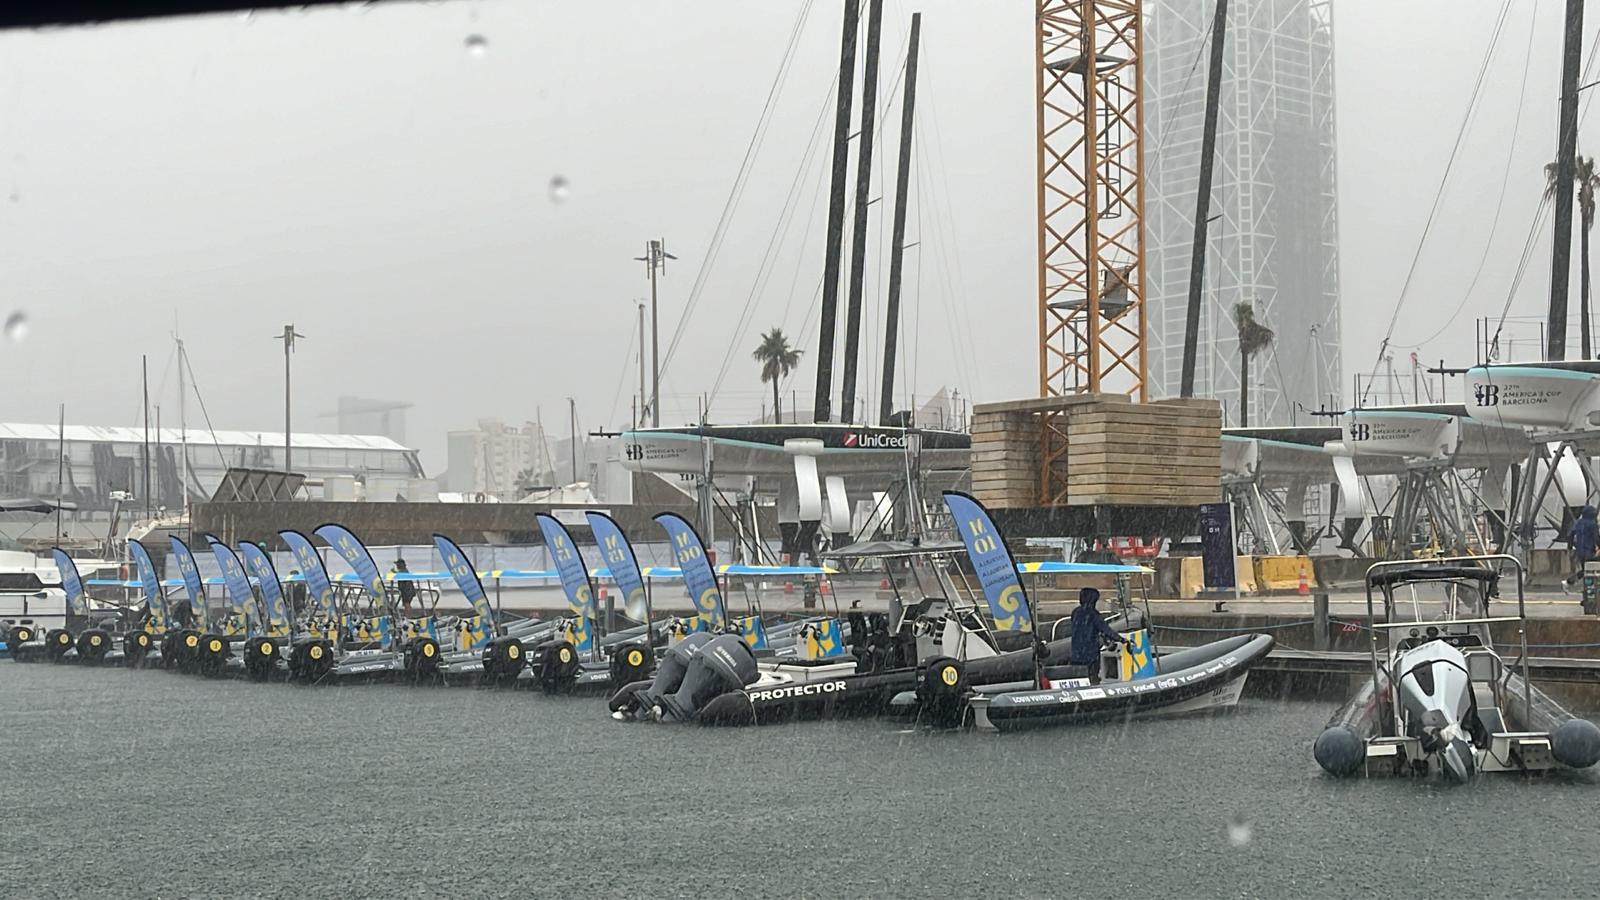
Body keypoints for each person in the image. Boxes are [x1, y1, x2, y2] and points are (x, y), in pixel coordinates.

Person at [1069, 587, 1129, 683]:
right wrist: (1121, 639)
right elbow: (1106, 630)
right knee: (1092, 676)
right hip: (1090, 651)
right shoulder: (1094, 614)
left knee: (1079, 675)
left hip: (1076, 650)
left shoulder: (1076, 612)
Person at [1569, 506, 1599, 606]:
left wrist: (1570, 547)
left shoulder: (1578, 522)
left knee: (1586, 574)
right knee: (1591, 574)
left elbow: (1571, 534)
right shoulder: (1592, 524)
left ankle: (1585, 597)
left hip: (1580, 552)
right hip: (1589, 552)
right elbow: (1596, 538)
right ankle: (1571, 581)